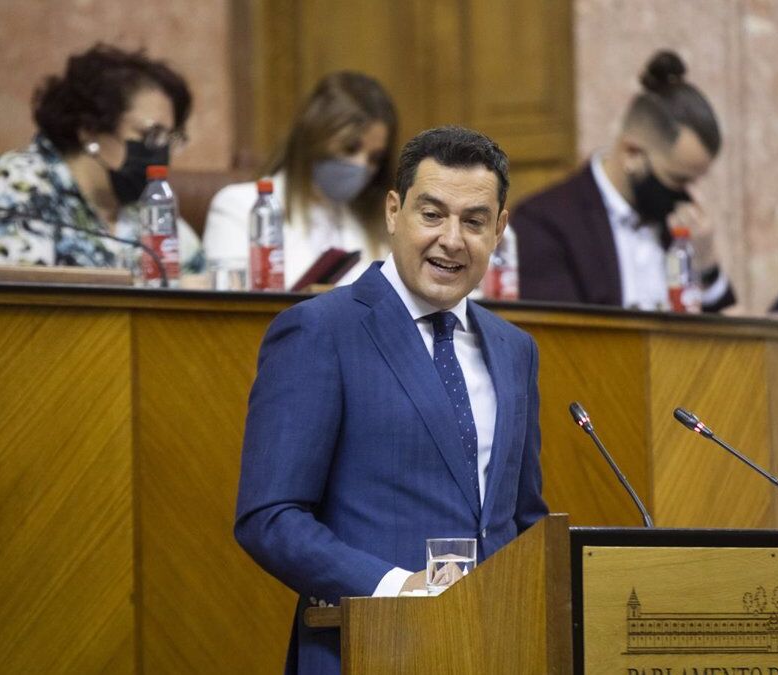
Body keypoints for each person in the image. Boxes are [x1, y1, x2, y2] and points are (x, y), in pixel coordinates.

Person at [234, 126, 547, 674]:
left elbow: (523, 519)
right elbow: (270, 517)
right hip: (366, 646)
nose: (452, 240)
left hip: (493, 649)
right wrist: (396, 587)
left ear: (499, 230)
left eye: (474, 222)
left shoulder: (514, 349)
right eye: (432, 215)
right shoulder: (320, 331)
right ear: (394, 211)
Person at [0, 43, 202, 273]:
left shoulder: (146, 207)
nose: (161, 151)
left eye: (170, 139)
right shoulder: (17, 185)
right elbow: (16, 301)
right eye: (151, 134)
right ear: (90, 130)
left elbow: (201, 281)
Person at [511, 49, 736, 312]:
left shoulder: (676, 225)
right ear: (632, 154)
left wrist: (706, 264)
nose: (690, 195)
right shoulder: (547, 223)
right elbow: (559, 334)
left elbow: (728, 333)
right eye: (678, 179)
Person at [203, 71, 397, 288]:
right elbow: (230, 304)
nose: (361, 165)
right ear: (314, 139)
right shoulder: (239, 207)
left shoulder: (377, 224)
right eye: (350, 148)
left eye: (374, 158)